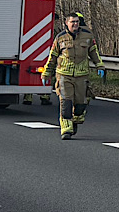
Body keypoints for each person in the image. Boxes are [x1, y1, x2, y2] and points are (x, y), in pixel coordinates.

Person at [41, 11, 102, 139]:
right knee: (66, 102)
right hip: (64, 75)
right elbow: (52, 56)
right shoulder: (60, 38)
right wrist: (47, 72)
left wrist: (99, 65)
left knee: (81, 104)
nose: (75, 24)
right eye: (72, 22)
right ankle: (66, 129)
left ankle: (75, 120)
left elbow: (93, 52)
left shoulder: (87, 36)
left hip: (82, 75)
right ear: (66, 23)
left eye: (76, 22)